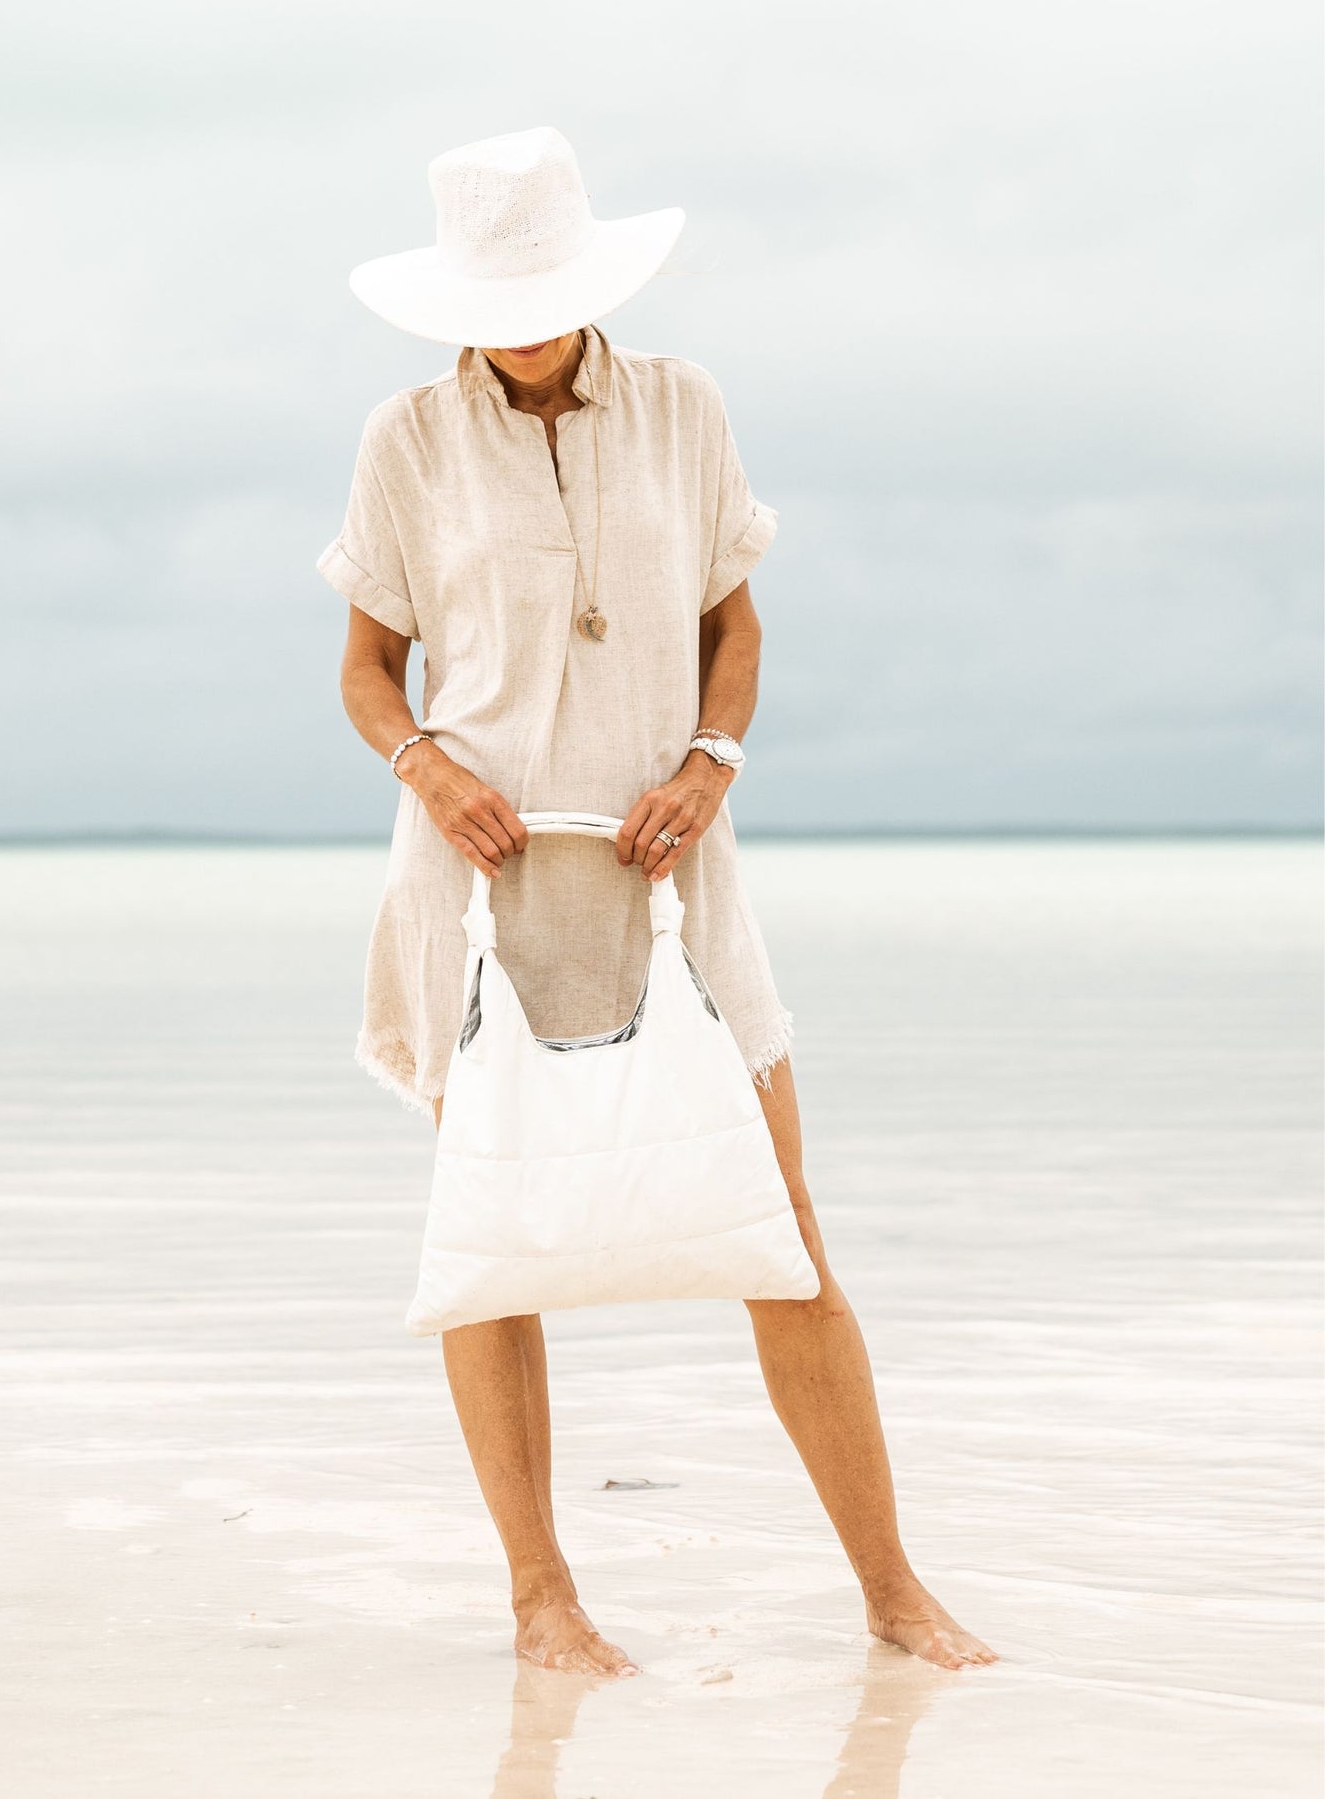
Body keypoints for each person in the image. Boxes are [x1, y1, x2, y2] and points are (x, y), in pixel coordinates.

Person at [317, 126, 998, 1678]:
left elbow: (730, 621)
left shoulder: (685, 408)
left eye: (540, 289)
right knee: (494, 1235)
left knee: (786, 1239)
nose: (518, 321)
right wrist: (427, 768)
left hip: (670, 876)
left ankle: (895, 1593)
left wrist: (711, 757)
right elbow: (365, 672)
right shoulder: (406, 440)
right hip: (480, 885)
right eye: (491, 298)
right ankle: (541, 1601)